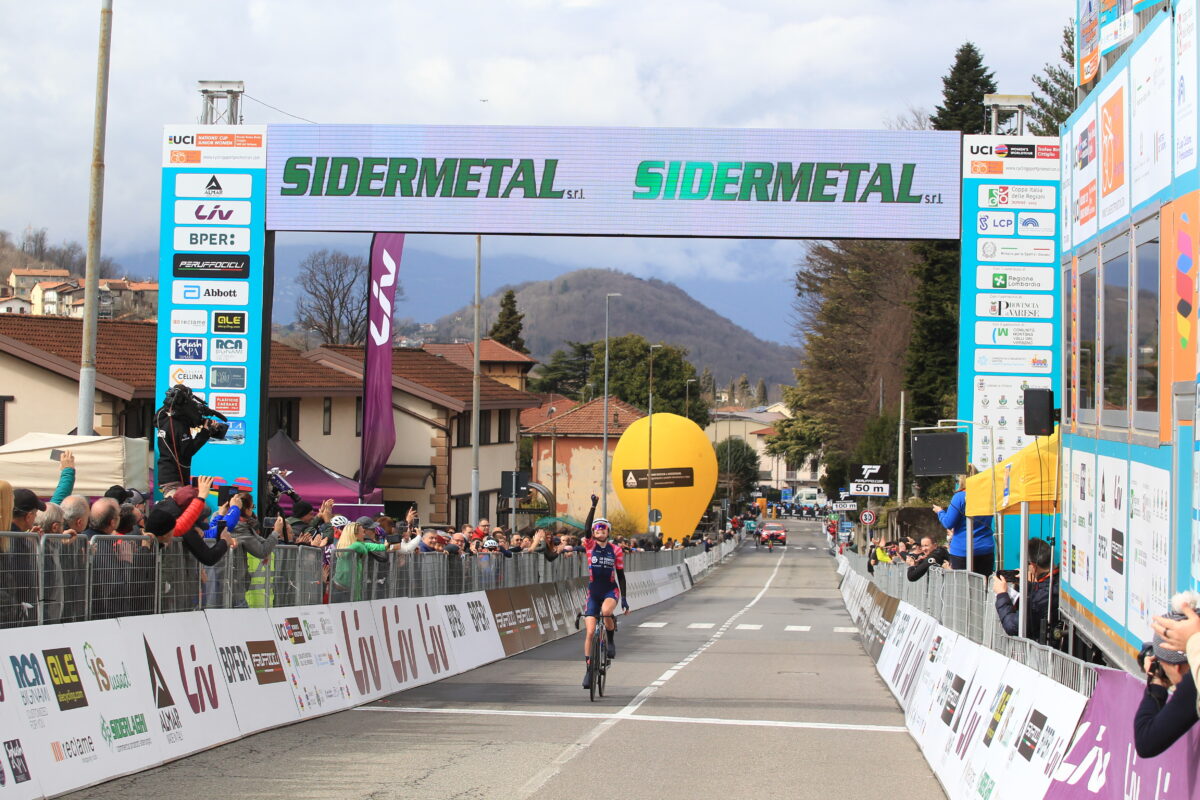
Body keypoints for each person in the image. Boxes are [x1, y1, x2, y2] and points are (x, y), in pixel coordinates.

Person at [569, 493, 629, 690]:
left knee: (606, 612)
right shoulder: (590, 545)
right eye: (597, 529)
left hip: (610, 590)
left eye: (602, 529)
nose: (599, 531)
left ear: (608, 532)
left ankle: (610, 640)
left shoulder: (616, 550)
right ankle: (588, 670)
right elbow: (586, 529)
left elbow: (620, 575)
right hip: (593, 592)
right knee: (588, 632)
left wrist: (625, 599)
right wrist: (593, 506)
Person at [1135, 597, 1199, 758]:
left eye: (1164, 666)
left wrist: (1157, 679)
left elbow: (1146, 741)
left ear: (1177, 667)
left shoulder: (1193, 685)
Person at [993, 538, 1059, 643]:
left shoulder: (1042, 597)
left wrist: (1002, 594)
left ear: (1033, 566)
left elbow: (1012, 626)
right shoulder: (1059, 581)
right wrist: (1029, 586)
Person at [933, 470, 995, 575]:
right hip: (985, 548)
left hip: (963, 550)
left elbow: (948, 523)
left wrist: (940, 512)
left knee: (963, 588)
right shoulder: (987, 496)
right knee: (983, 586)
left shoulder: (960, 497)